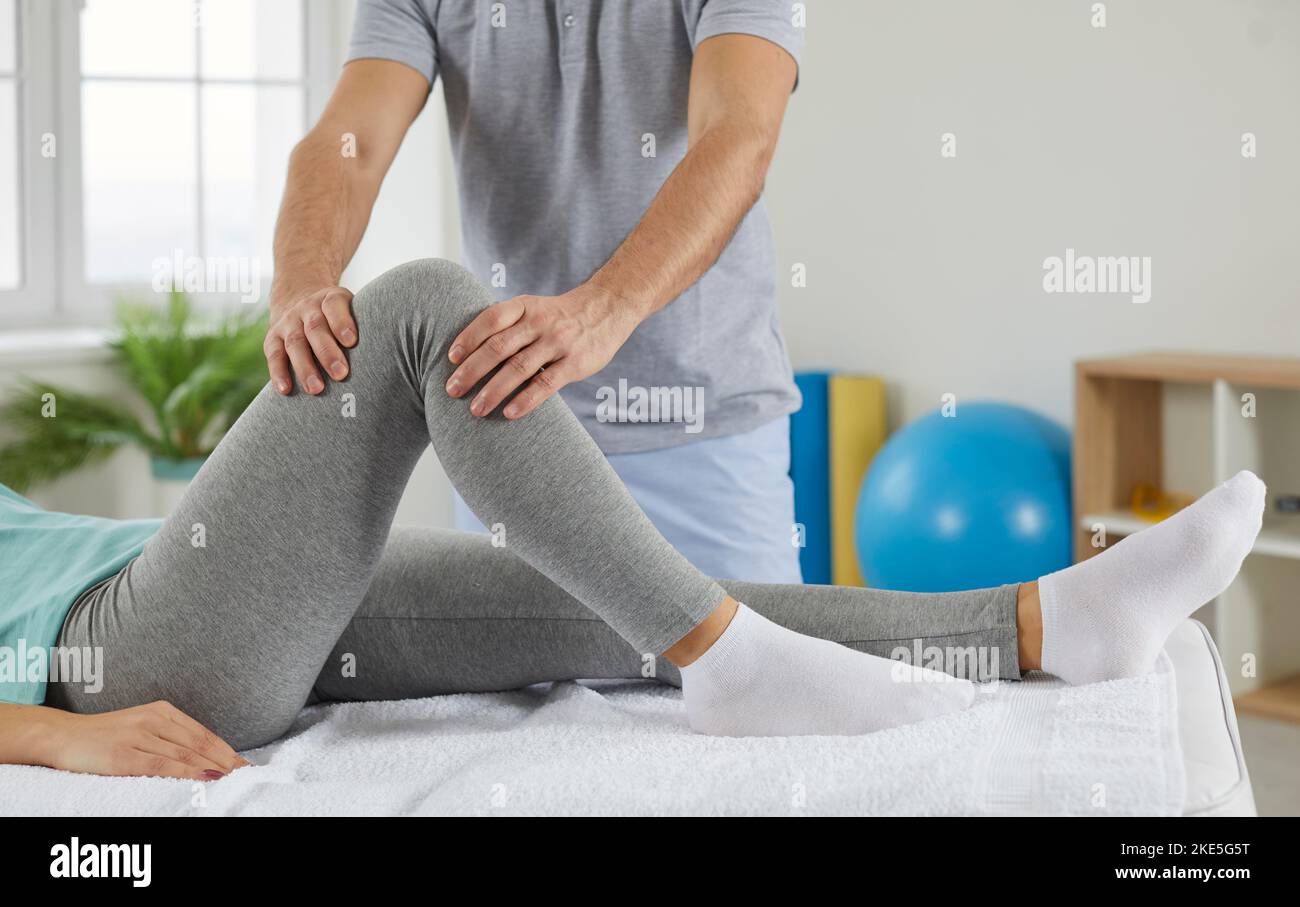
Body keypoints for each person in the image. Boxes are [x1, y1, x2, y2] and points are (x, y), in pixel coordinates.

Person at [0, 260, 1265, 780]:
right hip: (109, 649)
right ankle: (732, 665)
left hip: (154, 587)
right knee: (427, 307)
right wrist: (56, 742)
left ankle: (1048, 622)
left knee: (628, 595)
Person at [265, 0, 807, 582]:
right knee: (498, 674)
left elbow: (736, 134)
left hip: (706, 434)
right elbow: (351, 147)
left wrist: (607, 307)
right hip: (511, 434)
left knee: (754, 669)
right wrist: (302, 283)